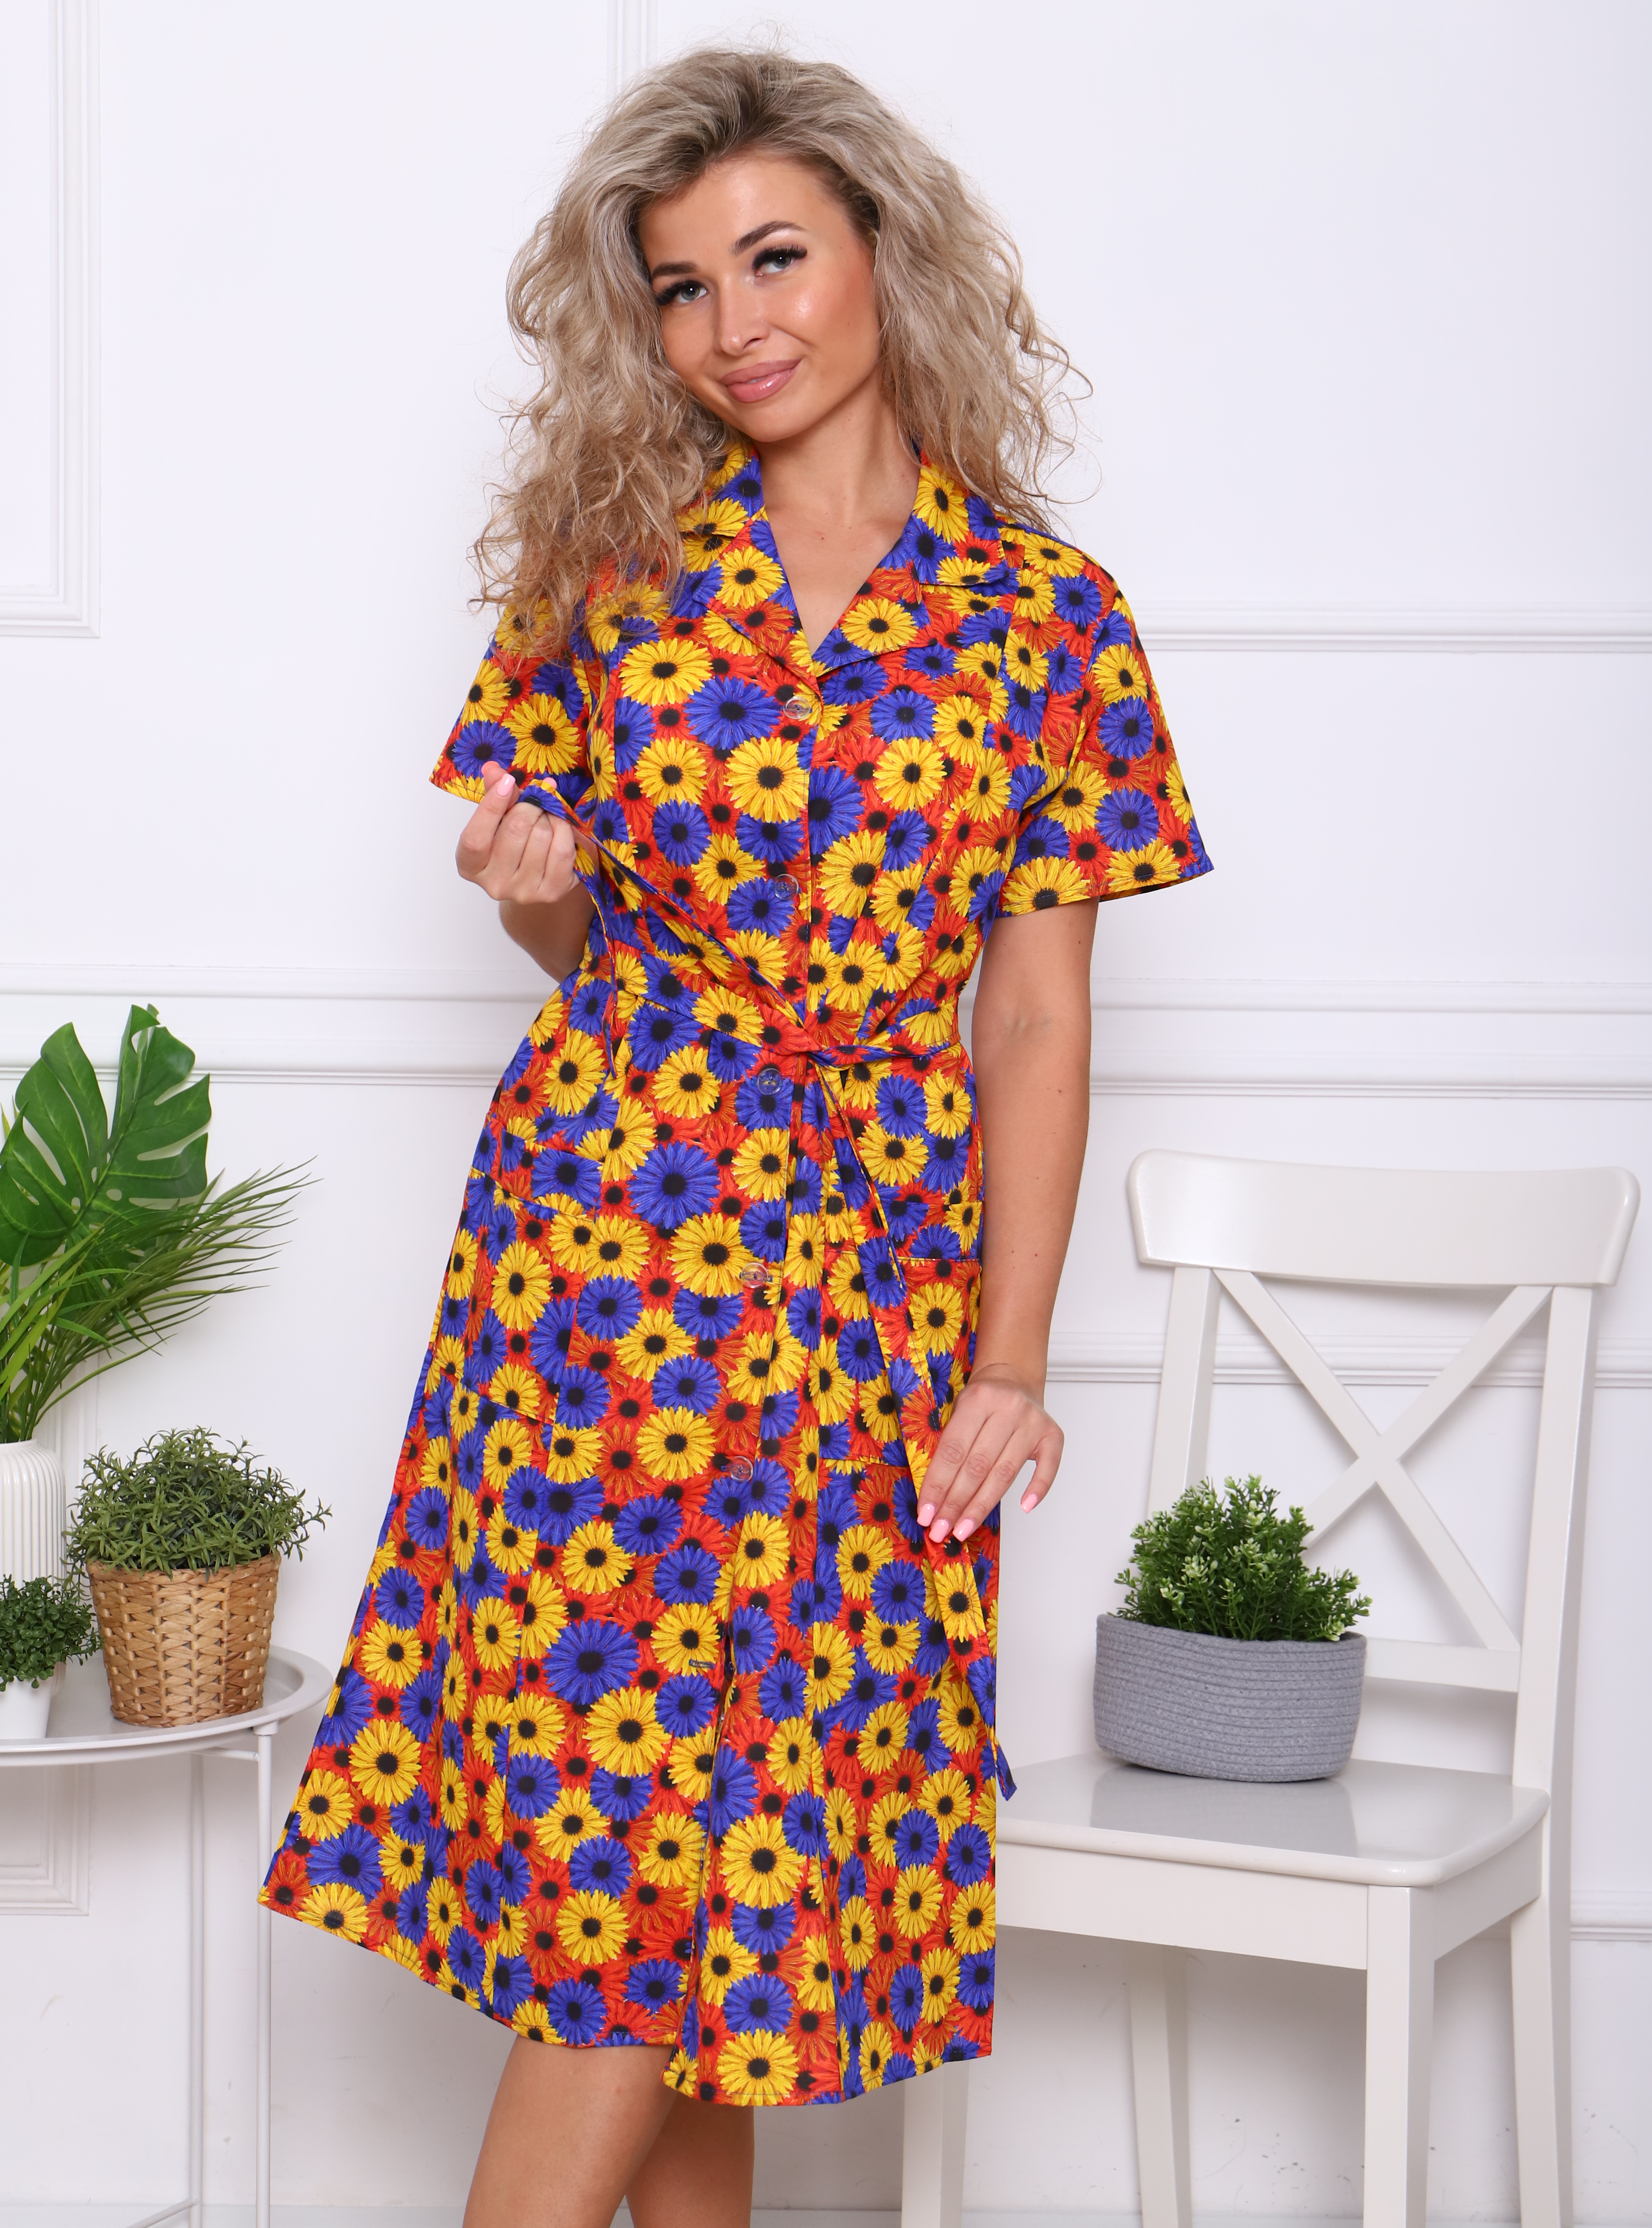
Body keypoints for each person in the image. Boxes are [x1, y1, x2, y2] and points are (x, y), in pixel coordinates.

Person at [262, 45, 1211, 2228]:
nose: (733, 324)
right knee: (631, 1862)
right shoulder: (607, 576)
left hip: (876, 1286)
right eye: (682, 288)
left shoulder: (1046, 617)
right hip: (603, 1255)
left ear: (886, 248)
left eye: (773, 259)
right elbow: (591, 955)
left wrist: (1010, 1356)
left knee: (748, 1872)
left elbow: (1034, 1014)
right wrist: (538, 898)